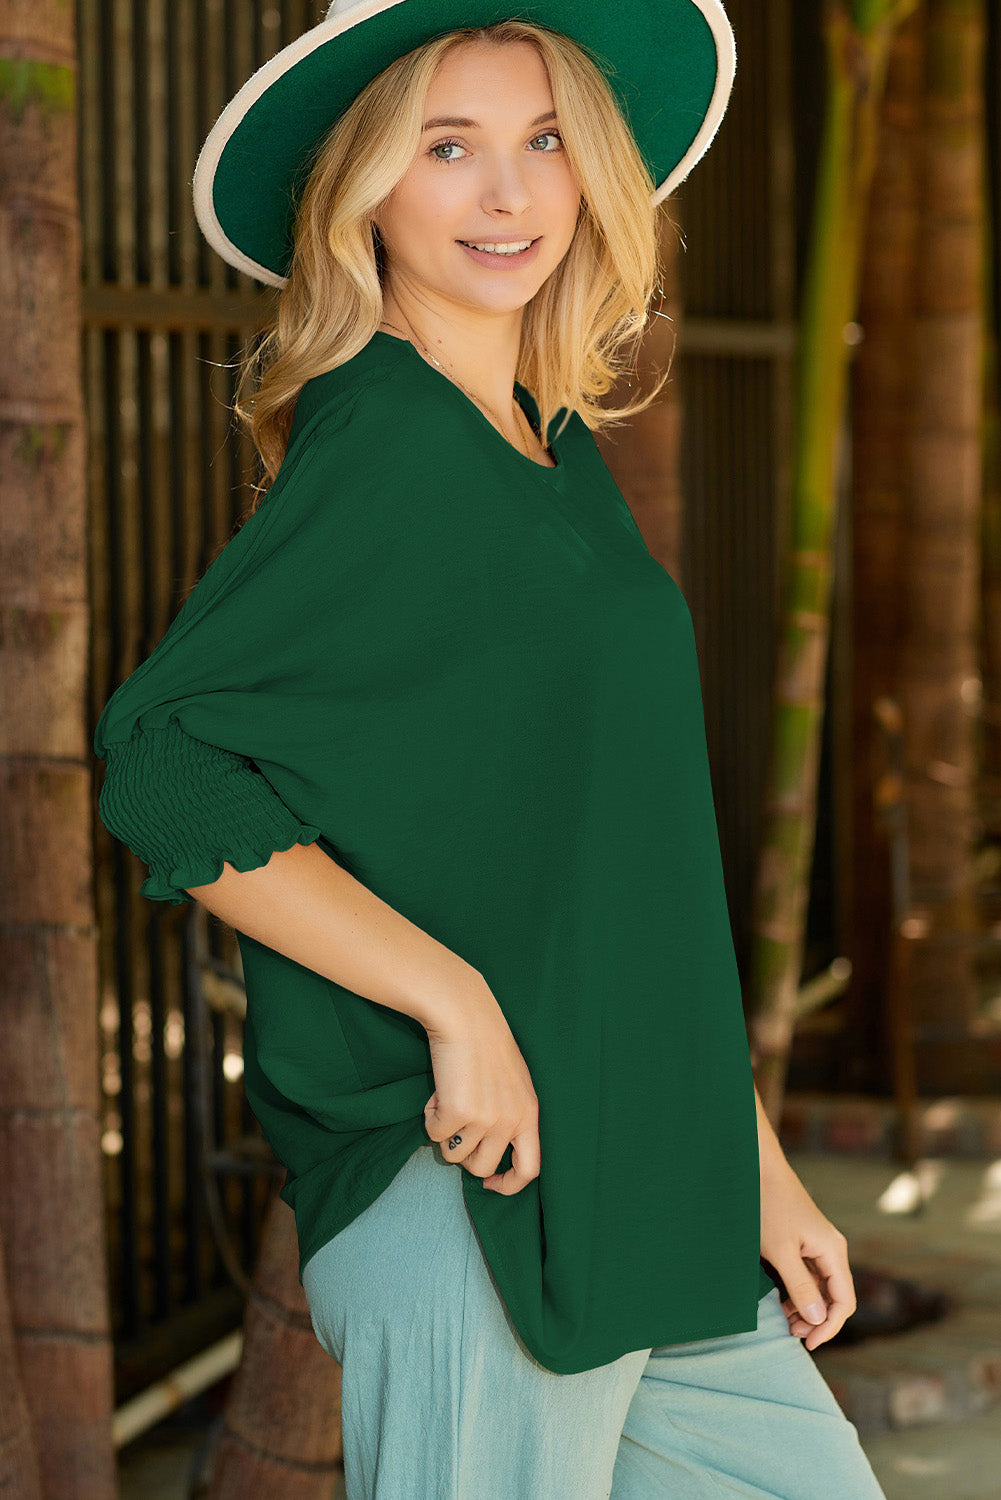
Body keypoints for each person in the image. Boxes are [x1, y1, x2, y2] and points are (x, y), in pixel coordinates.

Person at [93, 1, 887, 1495]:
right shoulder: (384, 439)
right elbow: (162, 765)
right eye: (446, 147)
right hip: (478, 1199)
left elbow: (625, 869)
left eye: (545, 141)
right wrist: (451, 1003)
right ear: (364, 188)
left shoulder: (547, 446)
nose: (508, 192)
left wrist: (756, 1166)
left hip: (651, 1178)